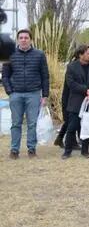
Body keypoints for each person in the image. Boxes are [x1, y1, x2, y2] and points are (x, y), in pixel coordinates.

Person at [3, 29, 49, 159]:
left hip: (33, 94)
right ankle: (14, 150)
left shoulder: (39, 55)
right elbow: (5, 76)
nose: (24, 40)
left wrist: (45, 95)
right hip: (16, 94)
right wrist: (10, 91)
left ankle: (31, 149)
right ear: (18, 40)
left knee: (32, 123)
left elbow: (45, 75)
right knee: (16, 123)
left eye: (26, 37)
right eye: (21, 37)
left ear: (31, 40)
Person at [62, 45, 89, 159]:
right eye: (88, 53)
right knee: (72, 127)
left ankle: (85, 150)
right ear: (81, 55)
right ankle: (67, 151)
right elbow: (71, 84)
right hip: (76, 101)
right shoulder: (71, 67)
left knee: (88, 127)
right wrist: (86, 91)